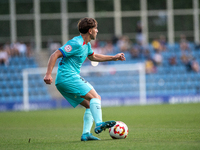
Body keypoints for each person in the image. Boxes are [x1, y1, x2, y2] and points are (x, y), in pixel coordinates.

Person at [43, 17, 126, 141]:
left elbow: (94, 57)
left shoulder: (86, 45)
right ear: (90, 31)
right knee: (96, 98)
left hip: (63, 82)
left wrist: (114, 57)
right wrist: (48, 74)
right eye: (96, 28)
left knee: (89, 105)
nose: (97, 31)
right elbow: (55, 54)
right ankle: (99, 123)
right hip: (68, 77)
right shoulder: (76, 43)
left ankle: (86, 134)